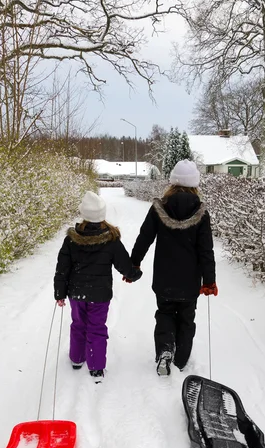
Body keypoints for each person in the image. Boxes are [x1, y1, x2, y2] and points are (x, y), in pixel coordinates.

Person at [130, 159, 217, 376]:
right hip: (189, 280)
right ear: (194, 184)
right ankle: (180, 359)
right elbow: (206, 250)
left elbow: (145, 237)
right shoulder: (201, 212)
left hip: (164, 277)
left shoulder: (159, 208)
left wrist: (134, 262)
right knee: (187, 318)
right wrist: (209, 281)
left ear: (172, 182)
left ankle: (165, 350)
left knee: (165, 313)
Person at [54, 191, 141, 381]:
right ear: (102, 215)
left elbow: (62, 268)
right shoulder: (110, 240)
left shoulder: (71, 239)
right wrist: (134, 274)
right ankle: (96, 366)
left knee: (78, 324)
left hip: (76, 293)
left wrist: (60, 292)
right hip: (100, 296)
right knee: (97, 327)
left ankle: (77, 359)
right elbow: (124, 264)